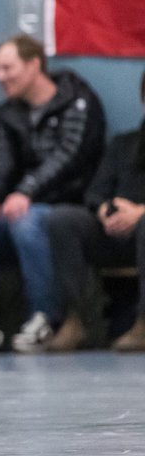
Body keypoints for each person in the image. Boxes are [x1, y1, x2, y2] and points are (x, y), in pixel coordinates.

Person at [0, 34, 105, 351]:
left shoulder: (78, 101)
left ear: (34, 64)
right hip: (21, 203)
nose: (0, 77)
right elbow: (1, 160)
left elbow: (70, 156)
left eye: (8, 68)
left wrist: (26, 191)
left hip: (69, 207)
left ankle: (45, 318)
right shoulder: (9, 113)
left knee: (27, 222)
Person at [46, 68, 145, 351]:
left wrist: (139, 213)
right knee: (62, 219)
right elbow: (96, 191)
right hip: (114, 234)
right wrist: (104, 209)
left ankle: (143, 323)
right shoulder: (123, 144)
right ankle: (75, 319)